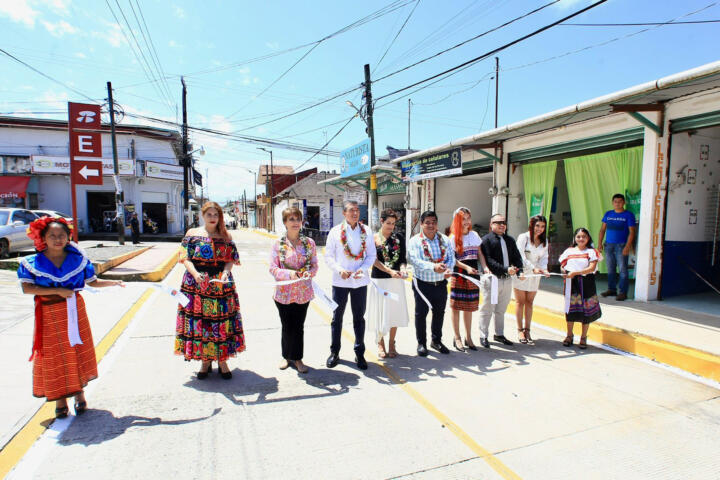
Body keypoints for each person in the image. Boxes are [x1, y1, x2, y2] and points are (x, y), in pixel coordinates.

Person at [17, 217, 123, 418]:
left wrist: (113, 282)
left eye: (62, 235)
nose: (57, 239)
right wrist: (58, 292)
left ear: (68, 237)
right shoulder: (32, 263)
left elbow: (92, 282)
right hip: (48, 314)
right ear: (44, 238)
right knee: (54, 355)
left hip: (74, 310)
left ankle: (80, 394)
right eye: (52, 236)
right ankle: (60, 399)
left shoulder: (78, 259)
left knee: (76, 350)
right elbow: (27, 288)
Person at [176, 201, 245, 380]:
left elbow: (230, 259)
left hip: (220, 284)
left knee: (221, 323)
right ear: (202, 215)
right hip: (196, 284)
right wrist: (196, 274)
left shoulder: (225, 235)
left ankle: (222, 361)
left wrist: (225, 274)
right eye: (209, 215)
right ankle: (205, 362)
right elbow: (185, 257)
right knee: (202, 324)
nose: (213, 218)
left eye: (216, 215)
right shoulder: (192, 234)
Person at [324, 200, 376, 370]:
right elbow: (329, 256)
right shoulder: (335, 232)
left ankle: (359, 353)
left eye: (357, 211)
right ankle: (335, 352)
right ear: (344, 213)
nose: (355, 213)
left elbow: (371, 255)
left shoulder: (366, 231)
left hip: (360, 282)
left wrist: (362, 269)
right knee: (337, 318)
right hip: (340, 282)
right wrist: (340, 270)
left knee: (359, 318)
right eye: (351, 211)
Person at [269, 207, 319, 374]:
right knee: (286, 325)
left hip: (302, 292)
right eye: (291, 219)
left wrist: (307, 273)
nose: (295, 222)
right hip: (283, 293)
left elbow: (314, 266)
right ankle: (286, 356)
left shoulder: (309, 243)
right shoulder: (278, 244)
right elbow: (273, 269)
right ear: (285, 223)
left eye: (297, 219)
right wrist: (292, 274)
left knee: (298, 326)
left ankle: (297, 358)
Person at [407, 210, 455, 356]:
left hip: (440, 284)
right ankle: (421, 343)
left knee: (439, 313)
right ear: (421, 224)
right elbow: (414, 260)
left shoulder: (445, 240)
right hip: (422, 284)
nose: (431, 225)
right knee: (421, 314)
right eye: (427, 222)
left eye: (434, 222)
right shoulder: (415, 241)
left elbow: (451, 258)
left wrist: (449, 269)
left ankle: (436, 341)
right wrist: (433, 267)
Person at [478, 214, 524, 348]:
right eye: (498, 222)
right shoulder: (486, 240)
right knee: (487, 309)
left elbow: (517, 257)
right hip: (493, 280)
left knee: (501, 309)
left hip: (507, 280)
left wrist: (519, 270)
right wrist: (505, 269)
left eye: (504, 222)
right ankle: (483, 335)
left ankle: (499, 334)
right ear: (491, 224)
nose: (502, 225)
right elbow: (488, 260)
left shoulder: (510, 240)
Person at [368, 209, 409, 359]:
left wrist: (403, 269)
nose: (391, 226)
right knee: (380, 312)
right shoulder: (373, 239)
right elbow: (373, 260)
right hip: (379, 280)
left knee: (393, 312)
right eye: (388, 223)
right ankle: (380, 342)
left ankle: (392, 343)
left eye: (393, 223)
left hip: (395, 281)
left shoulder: (399, 238)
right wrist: (389, 271)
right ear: (381, 221)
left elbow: (402, 259)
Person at [448, 207, 489, 352]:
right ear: (457, 221)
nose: (466, 221)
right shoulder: (452, 238)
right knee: (456, 307)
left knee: (469, 308)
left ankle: (469, 337)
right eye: (463, 219)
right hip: (459, 274)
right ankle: (457, 337)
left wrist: (485, 267)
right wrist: (466, 268)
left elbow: (480, 254)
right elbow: (451, 260)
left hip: (473, 274)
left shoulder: (474, 235)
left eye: (468, 218)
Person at [560, 228, 602, 349]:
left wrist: (575, 273)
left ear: (588, 238)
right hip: (571, 284)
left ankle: (583, 337)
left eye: (583, 236)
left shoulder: (592, 252)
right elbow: (563, 265)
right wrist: (564, 272)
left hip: (587, 284)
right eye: (578, 236)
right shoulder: (569, 251)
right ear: (575, 238)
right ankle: (569, 335)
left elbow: (591, 268)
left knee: (586, 311)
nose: (581, 239)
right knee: (570, 309)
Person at [513, 215, 550, 344]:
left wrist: (544, 269)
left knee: (530, 302)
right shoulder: (524, 237)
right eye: (537, 225)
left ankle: (528, 330)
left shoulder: (544, 241)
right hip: (522, 272)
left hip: (535, 274)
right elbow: (519, 255)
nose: (540, 229)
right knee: (520, 302)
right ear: (532, 225)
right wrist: (532, 267)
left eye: (542, 226)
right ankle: (520, 330)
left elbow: (544, 257)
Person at [598, 193, 637, 301]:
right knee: (610, 269)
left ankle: (623, 292)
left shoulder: (629, 215)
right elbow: (602, 230)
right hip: (608, 245)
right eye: (615, 202)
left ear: (624, 202)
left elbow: (632, 232)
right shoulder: (608, 214)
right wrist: (599, 243)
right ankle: (612, 289)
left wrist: (627, 246)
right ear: (612, 203)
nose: (618, 204)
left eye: (620, 201)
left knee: (623, 270)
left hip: (621, 245)